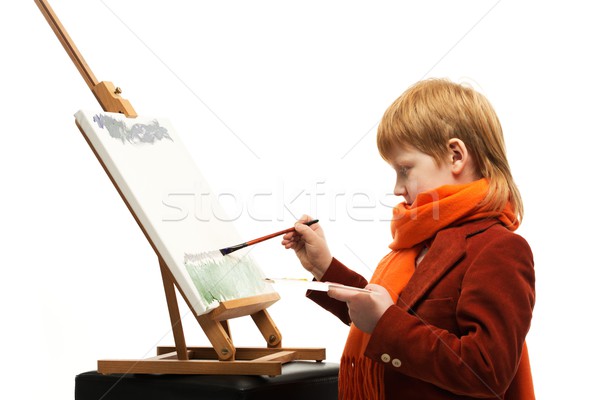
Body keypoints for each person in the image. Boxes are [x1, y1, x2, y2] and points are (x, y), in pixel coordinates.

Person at [281, 78, 535, 400]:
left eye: (405, 169)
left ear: (456, 156)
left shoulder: (499, 248)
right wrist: (324, 267)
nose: (397, 189)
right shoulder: (421, 242)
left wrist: (387, 322)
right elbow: (383, 316)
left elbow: (487, 370)